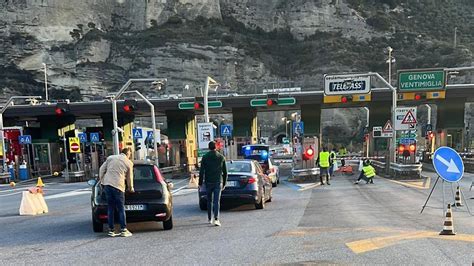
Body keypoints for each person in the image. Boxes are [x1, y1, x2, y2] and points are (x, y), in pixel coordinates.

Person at [99, 147, 134, 237]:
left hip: (107, 185)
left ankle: (111, 230)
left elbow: (101, 170)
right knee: (121, 208)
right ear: (128, 153)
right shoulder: (128, 163)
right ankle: (123, 230)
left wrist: (103, 181)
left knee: (110, 208)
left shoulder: (110, 158)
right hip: (118, 186)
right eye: (130, 153)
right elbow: (130, 178)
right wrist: (130, 188)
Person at [198, 141, 228, 226]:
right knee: (216, 201)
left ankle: (209, 218)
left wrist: (200, 183)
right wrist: (224, 183)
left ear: (209, 147)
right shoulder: (221, 157)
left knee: (209, 201)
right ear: (216, 147)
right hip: (218, 182)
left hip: (208, 182)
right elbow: (225, 172)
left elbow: (201, 171)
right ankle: (216, 219)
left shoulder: (205, 157)